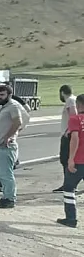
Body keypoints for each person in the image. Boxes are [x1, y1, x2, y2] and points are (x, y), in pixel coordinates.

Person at [0, 84, 26, 208]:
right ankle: (5, 196)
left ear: (9, 95)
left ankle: (10, 198)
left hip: (6, 146)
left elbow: (18, 122)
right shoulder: (1, 107)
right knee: (0, 173)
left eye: (2, 94)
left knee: (6, 173)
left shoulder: (13, 106)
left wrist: (8, 136)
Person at [57, 95, 84, 228]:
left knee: (69, 188)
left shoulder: (75, 119)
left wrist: (71, 159)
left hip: (79, 160)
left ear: (79, 105)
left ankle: (71, 218)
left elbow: (75, 139)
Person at [55, 84, 78, 192]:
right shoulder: (75, 99)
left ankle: (69, 184)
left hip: (68, 135)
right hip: (71, 133)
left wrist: (68, 131)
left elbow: (73, 115)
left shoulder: (70, 100)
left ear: (62, 92)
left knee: (65, 159)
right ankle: (69, 183)